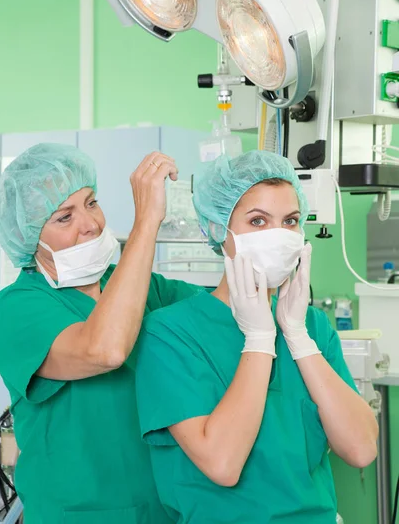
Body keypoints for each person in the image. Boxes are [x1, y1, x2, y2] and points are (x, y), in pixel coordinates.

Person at [136, 150, 378, 524]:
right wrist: (260, 339)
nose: (278, 236)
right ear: (219, 229)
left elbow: (362, 449)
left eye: (291, 221)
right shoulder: (171, 333)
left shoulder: (311, 326)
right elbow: (223, 463)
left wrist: (296, 336)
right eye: (258, 221)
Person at [0, 143, 201, 524]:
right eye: (64, 217)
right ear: (29, 236)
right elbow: (104, 349)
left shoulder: (143, 287)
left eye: (92, 203)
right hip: (75, 515)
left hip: (163, 510)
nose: (90, 223)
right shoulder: (16, 307)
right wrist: (146, 223)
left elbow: (223, 311)